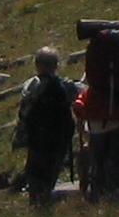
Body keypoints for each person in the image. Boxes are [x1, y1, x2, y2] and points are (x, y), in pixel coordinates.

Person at [14, 47, 78, 206]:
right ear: (57, 65)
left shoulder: (30, 85)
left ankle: (36, 204)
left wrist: (21, 136)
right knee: (51, 173)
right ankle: (47, 200)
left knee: (35, 174)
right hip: (59, 139)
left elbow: (24, 114)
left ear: (37, 65)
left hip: (36, 139)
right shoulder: (66, 85)